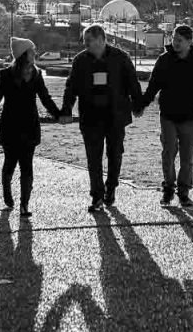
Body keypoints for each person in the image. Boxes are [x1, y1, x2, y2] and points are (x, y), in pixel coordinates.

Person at [59, 24, 143, 213]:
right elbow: (71, 87)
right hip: (90, 117)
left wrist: (138, 105)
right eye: (85, 41)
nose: (85, 44)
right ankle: (97, 196)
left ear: (100, 39)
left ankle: (111, 187)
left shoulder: (121, 58)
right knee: (93, 159)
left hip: (115, 116)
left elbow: (132, 83)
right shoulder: (80, 61)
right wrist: (66, 110)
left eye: (88, 40)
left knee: (115, 154)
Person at [0, 37, 61, 217]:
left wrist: (59, 115)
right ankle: (7, 194)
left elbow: (45, 98)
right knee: (9, 163)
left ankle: (24, 204)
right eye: (32, 50)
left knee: (27, 165)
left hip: (30, 126)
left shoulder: (37, 75)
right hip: (10, 126)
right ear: (24, 54)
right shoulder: (6, 75)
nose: (35, 53)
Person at [141, 24, 193, 208]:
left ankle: (184, 193)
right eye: (173, 39)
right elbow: (153, 86)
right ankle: (168, 189)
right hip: (168, 115)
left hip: (190, 116)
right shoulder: (164, 60)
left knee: (187, 157)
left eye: (179, 40)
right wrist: (141, 104)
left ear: (190, 42)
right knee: (168, 153)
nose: (175, 43)